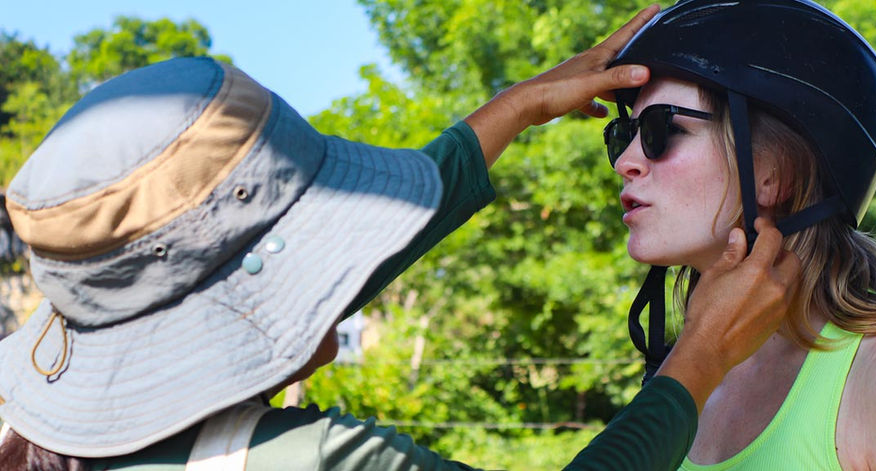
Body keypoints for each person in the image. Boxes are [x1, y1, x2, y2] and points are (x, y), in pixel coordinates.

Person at [0, 5, 801, 471]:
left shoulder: (31, 433)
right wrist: (697, 360)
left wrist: (514, 108)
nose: (628, 158)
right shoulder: (304, 459)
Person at [603, 0, 876, 469]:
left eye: (663, 130)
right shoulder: (688, 375)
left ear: (774, 172)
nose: (625, 162)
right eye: (624, 134)